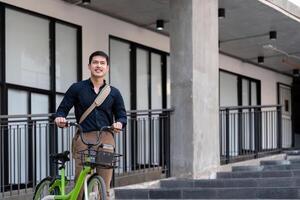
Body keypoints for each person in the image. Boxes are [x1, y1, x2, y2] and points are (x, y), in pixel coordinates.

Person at [54, 50, 127, 199]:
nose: (98, 66)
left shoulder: (114, 93)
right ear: (89, 66)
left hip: (106, 138)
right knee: (80, 182)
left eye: (102, 63)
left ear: (107, 68)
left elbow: (122, 115)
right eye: (95, 62)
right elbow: (62, 110)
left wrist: (119, 123)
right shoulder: (77, 88)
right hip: (84, 137)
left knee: (105, 184)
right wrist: (60, 118)